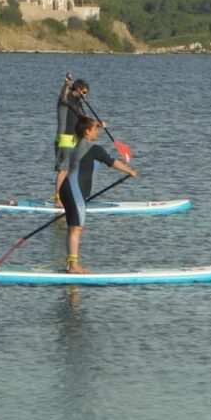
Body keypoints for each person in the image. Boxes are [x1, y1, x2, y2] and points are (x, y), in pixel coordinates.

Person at [59, 116, 137, 274]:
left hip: (66, 188)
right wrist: (130, 171)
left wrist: (98, 125)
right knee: (76, 229)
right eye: (95, 130)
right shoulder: (95, 149)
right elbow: (112, 162)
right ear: (87, 131)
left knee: (73, 228)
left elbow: (85, 127)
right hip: (76, 191)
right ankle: (73, 266)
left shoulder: (77, 146)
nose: (97, 132)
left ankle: (70, 265)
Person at [54, 76, 96, 206]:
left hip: (75, 139)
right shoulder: (66, 99)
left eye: (86, 93)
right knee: (63, 169)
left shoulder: (79, 102)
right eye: (83, 92)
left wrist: (98, 124)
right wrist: (66, 85)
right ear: (77, 89)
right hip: (64, 138)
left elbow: (84, 119)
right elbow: (62, 95)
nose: (85, 95)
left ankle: (69, 195)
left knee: (75, 168)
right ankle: (58, 199)